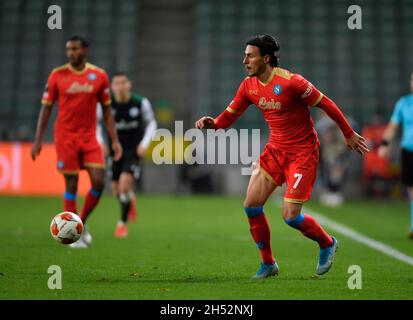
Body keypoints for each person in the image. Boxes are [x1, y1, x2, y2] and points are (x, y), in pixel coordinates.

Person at [195, 35, 369, 279]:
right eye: (245, 55)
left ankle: (327, 242)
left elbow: (326, 103)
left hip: (302, 153)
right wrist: (212, 123)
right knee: (251, 205)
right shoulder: (248, 86)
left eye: (250, 55)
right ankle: (268, 264)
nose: (244, 60)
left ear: (266, 58)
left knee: (290, 216)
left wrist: (348, 134)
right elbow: (228, 117)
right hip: (275, 151)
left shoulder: (292, 82)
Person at [31, 36, 122, 248]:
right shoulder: (57, 75)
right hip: (65, 137)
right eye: (68, 49)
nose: (71, 53)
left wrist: (115, 141)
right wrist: (37, 140)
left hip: (90, 138)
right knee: (71, 182)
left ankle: (81, 222)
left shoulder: (98, 76)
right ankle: (72, 236)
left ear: (85, 51)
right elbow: (46, 108)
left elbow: (107, 111)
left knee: (99, 181)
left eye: (75, 49)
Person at [109, 72, 157, 237]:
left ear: (129, 84)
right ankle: (131, 197)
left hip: (133, 150)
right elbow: (95, 123)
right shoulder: (106, 103)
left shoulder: (140, 102)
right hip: (114, 149)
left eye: (123, 82)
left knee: (123, 186)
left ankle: (122, 224)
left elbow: (152, 123)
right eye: (117, 83)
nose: (120, 86)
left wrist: (144, 144)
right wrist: (100, 140)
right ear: (112, 86)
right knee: (116, 190)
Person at [378, 72, 413, 239]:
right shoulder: (404, 103)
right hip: (408, 150)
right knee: (411, 188)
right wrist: (385, 144)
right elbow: (393, 126)